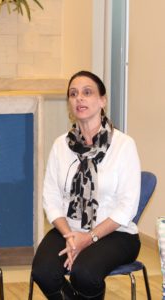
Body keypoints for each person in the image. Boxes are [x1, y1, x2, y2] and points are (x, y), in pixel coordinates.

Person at [31, 70, 141, 299]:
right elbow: (50, 198)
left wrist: (89, 238)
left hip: (115, 233)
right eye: (73, 94)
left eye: (87, 92)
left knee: (84, 273)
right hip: (69, 229)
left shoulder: (123, 145)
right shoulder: (61, 145)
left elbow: (128, 206)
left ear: (102, 100)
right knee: (43, 271)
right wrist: (70, 235)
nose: (79, 98)